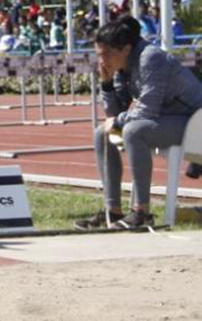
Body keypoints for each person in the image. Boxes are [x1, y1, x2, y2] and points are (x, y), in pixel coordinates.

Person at [75, 16, 202, 230]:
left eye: (106, 55)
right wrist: (106, 84)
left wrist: (117, 120)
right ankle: (113, 211)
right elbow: (114, 114)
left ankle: (142, 212)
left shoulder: (150, 58)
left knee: (134, 131)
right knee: (102, 134)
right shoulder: (121, 66)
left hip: (196, 122)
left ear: (125, 48)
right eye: (98, 55)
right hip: (169, 118)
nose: (102, 61)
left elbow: (147, 110)